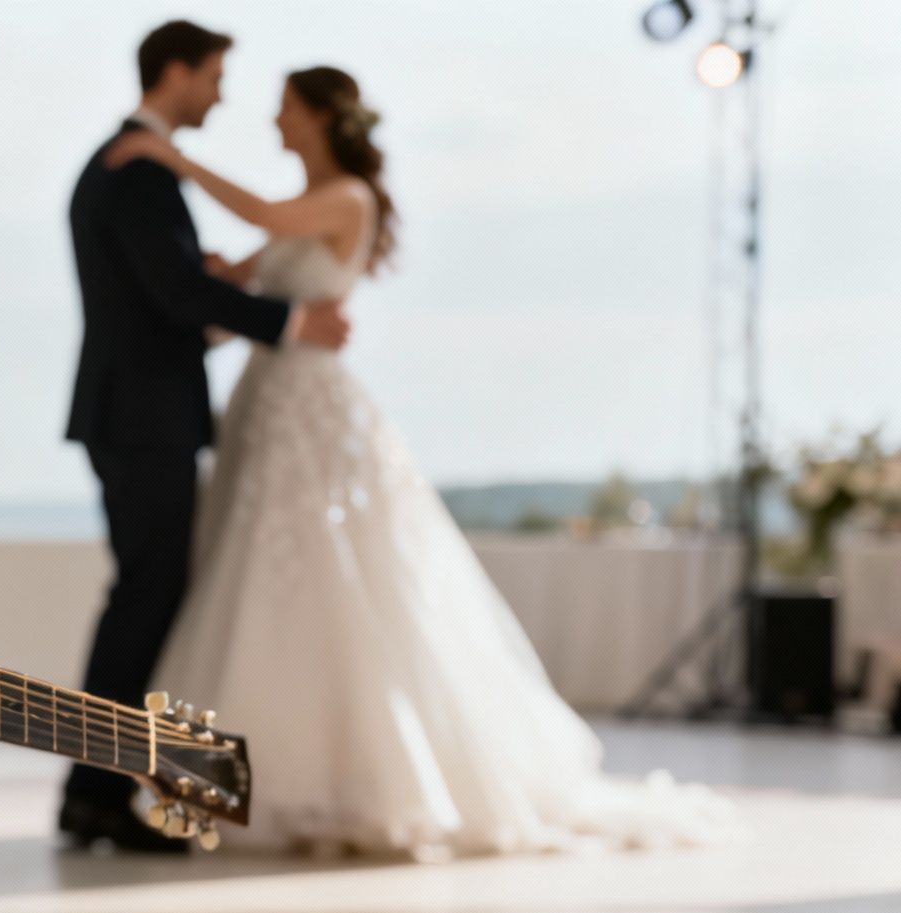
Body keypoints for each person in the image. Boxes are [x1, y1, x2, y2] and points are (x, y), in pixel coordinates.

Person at [117, 66, 735, 857]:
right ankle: (238, 777)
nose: (273, 120)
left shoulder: (346, 199)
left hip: (315, 409)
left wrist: (171, 159)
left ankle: (348, 783)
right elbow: (236, 297)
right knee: (255, 575)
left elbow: (266, 213)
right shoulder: (297, 218)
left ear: (317, 118)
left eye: (285, 109)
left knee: (336, 574)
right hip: (263, 406)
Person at [61, 21, 350, 853]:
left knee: (145, 600)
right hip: (142, 416)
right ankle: (94, 794)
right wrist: (291, 320)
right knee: (143, 603)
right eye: (216, 76)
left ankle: (94, 792)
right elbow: (179, 296)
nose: (223, 94)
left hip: (134, 412)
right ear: (177, 73)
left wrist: (227, 292)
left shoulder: (128, 164)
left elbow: (174, 295)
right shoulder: (139, 169)